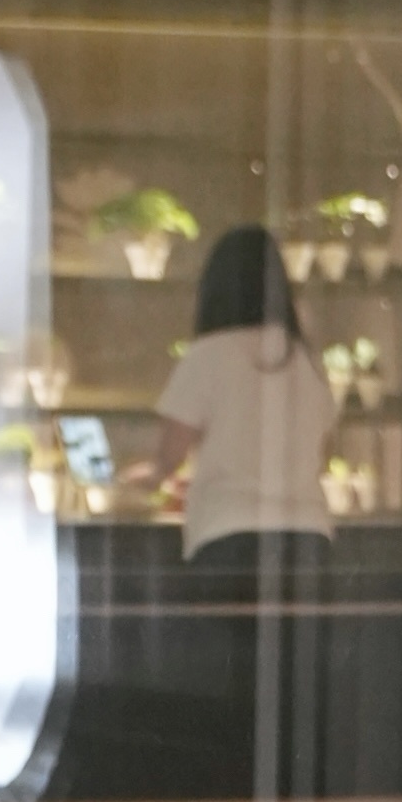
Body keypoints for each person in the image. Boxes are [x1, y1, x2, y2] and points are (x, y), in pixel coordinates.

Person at [142, 223, 339, 572]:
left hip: (229, 535)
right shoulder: (306, 360)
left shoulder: (207, 355)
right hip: (309, 537)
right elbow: (321, 443)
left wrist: (147, 476)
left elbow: (171, 454)